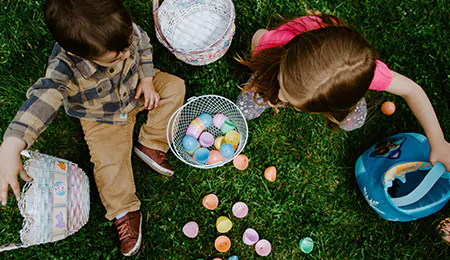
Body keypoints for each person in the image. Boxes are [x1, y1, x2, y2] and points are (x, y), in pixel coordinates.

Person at [0, 0, 185, 256]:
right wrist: (13, 142)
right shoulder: (64, 68)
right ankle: (124, 210)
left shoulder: (122, 30)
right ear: (77, 54)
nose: (125, 54)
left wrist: (147, 77)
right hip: (101, 116)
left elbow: (142, 45)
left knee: (175, 87)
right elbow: (44, 98)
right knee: (109, 164)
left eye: (126, 45)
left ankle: (151, 142)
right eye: (117, 55)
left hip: (138, 89)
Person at [236, 10, 450, 170]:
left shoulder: (370, 74)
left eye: (289, 101)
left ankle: (341, 99)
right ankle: (273, 81)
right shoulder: (276, 44)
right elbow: (259, 36)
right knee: (251, 101)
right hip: (285, 56)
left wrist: (438, 141)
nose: (280, 97)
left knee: (352, 121)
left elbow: (412, 90)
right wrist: (271, 78)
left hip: (335, 77)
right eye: (285, 87)